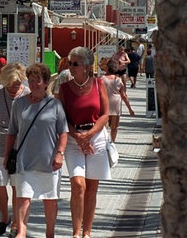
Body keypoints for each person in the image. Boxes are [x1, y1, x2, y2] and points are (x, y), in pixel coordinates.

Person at [5, 63, 68, 238]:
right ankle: (22, 232)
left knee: (50, 200)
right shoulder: (19, 104)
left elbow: (63, 132)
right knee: (23, 198)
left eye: (37, 81)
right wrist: (7, 155)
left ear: (46, 82)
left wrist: (60, 153)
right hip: (24, 160)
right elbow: (12, 132)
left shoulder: (55, 104)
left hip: (49, 161)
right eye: (30, 81)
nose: (33, 84)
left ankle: (50, 233)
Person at [58, 46, 112, 238]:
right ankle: (76, 232)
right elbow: (61, 117)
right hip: (74, 140)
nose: (70, 67)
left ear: (86, 67)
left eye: (74, 64)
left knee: (91, 188)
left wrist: (89, 134)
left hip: (96, 137)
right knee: (78, 184)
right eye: (69, 63)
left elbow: (105, 114)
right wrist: (79, 137)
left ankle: (86, 232)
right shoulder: (64, 88)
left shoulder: (99, 84)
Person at [0, 63, 30, 237]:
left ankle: (17, 223)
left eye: (18, 82)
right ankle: (5, 216)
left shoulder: (27, 94)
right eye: (11, 83)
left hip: (20, 148)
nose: (15, 86)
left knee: (17, 186)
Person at [102, 59, 134, 143]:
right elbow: (123, 95)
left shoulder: (101, 79)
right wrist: (130, 109)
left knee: (104, 127)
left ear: (107, 68)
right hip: (116, 104)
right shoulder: (118, 80)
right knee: (114, 127)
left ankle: (104, 143)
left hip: (104, 105)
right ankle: (112, 143)